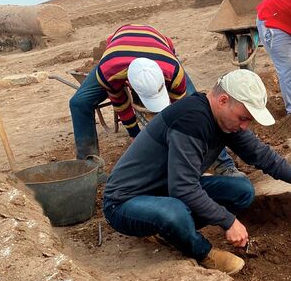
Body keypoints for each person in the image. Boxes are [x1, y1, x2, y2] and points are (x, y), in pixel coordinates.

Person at [103, 69, 291, 275]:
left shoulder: (224, 120)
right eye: (243, 118)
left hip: (164, 192)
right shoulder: (191, 121)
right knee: (174, 211)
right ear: (223, 100)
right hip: (125, 203)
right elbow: (183, 188)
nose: (244, 126)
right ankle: (203, 253)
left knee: (241, 190)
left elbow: (259, 153)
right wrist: (228, 222)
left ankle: (173, 231)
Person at [69, 24, 243, 180]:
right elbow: (120, 103)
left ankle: (224, 165)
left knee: (198, 107)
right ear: (128, 83)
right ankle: (90, 170)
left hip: (159, 47)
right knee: (78, 103)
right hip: (118, 53)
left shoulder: (173, 72)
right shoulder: (109, 71)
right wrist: (135, 135)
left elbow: (189, 113)